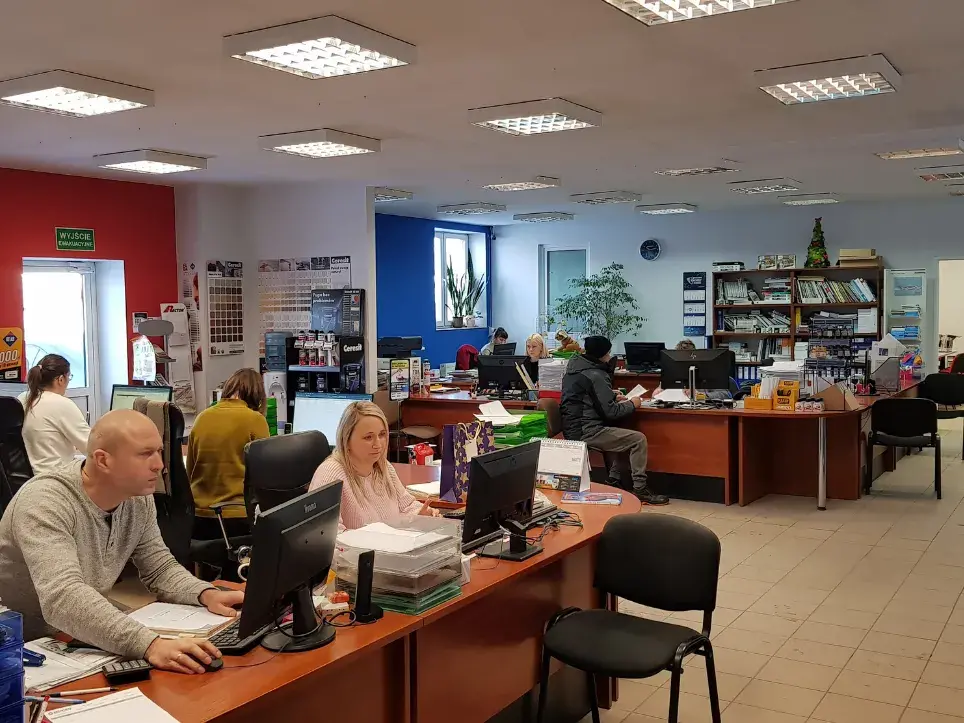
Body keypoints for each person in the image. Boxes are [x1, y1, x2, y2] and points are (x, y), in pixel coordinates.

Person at [0, 410, 243, 673]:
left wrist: (205, 594)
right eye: (145, 454)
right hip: (21, 646)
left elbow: (160, 568)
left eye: (159, 452)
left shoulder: (136, 497)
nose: (159, 465)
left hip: (81, 634)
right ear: (103, 460)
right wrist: (149, 645)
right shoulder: (45, 503)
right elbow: (63, 598)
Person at [561, 335, 668, 505]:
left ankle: (614, 479)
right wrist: (633, 404)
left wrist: (610, 395)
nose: (610, 357)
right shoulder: (596, 374)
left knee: (621, 431)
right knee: (637, 439)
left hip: (574, 427)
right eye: (608, 353)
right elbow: (611, 412)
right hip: (587, 430)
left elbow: (585, 398)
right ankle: (640, 489)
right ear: (602, 354)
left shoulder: (574, 370)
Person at [309, 401, 439, 530]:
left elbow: (407, 506)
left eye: (382, 435)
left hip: (392, 541)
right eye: (368, 437)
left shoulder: (383, 466)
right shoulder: (330, 475)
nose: (378, 444)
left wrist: (421, 514)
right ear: (346, 440)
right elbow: (329, 535)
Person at [187, 368, 270, 540]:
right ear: (258, 395)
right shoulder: (255, 420)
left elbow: (189, 471)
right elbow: (266, 478)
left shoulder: (202, 417)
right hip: (236, 519)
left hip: (198, 519)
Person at [18, 354, 90, 476]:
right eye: (69, 377)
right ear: (60, 379)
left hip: (30, 478)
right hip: (56, 477)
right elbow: (90, 447)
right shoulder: (61, 403)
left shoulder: (23, 398)